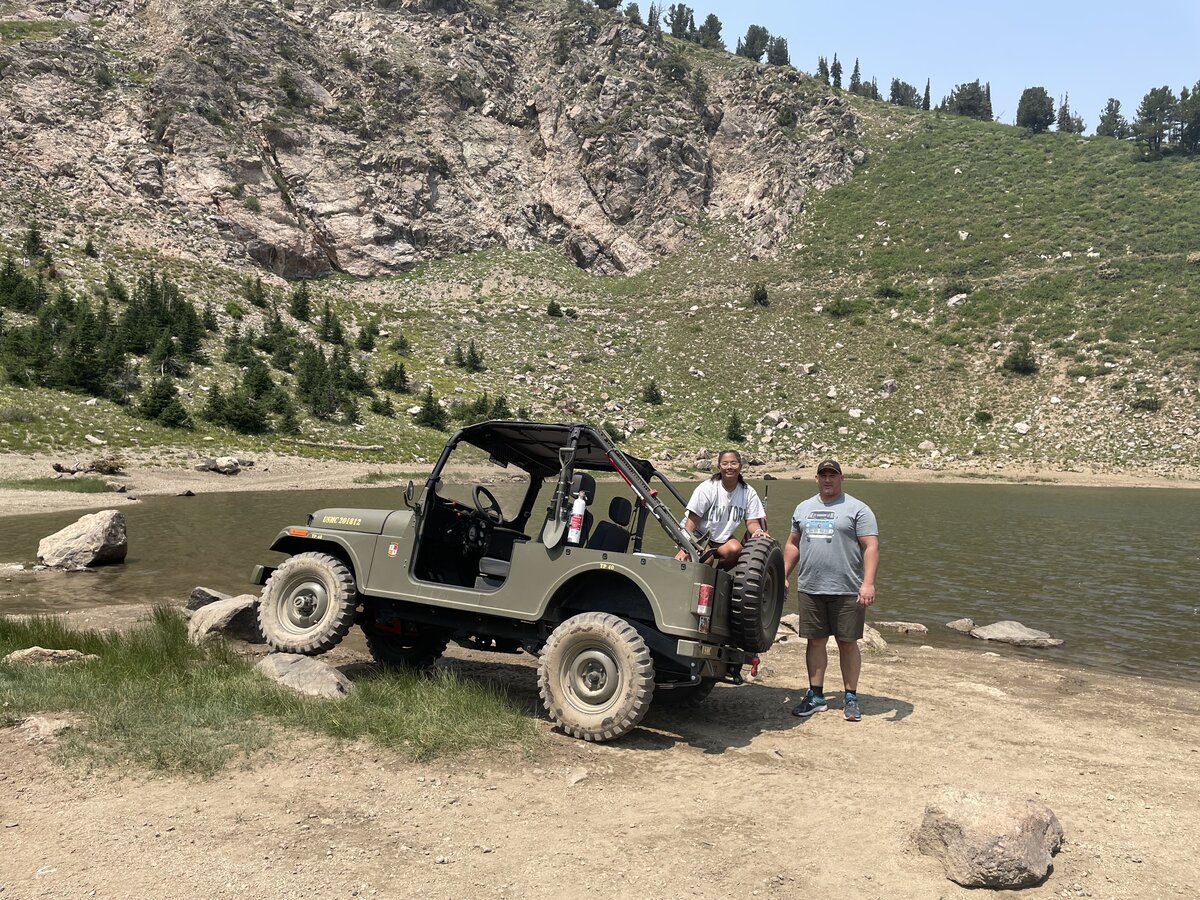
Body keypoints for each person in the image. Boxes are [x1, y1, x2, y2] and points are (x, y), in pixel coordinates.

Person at [783, 459, 879, 722]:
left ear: (841, 478)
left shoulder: (858, 509)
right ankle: (816, 696)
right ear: (816, 478)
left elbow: (871, 546)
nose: (827, 479)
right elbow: (793, 544)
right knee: (815, 641)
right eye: (823, 475)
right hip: (811, 587)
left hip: (847, 589)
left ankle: (850, 697)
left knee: (847, 642)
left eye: (832, 475)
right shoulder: (803, 508)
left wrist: (868, 583)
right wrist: (783, 575)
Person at [674, 450, 768, 569]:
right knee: (706, 559)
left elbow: (752, 521)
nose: (729, 467)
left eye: (733, 463)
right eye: (725, 463)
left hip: (721, 538)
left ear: (740, 466)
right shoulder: (707, 488)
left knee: (736, 551)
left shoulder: (748, 492)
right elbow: (692, 520)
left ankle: (717, 575)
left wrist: (758, 531)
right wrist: (684, 548)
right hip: (697, 534)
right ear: (719, 467)